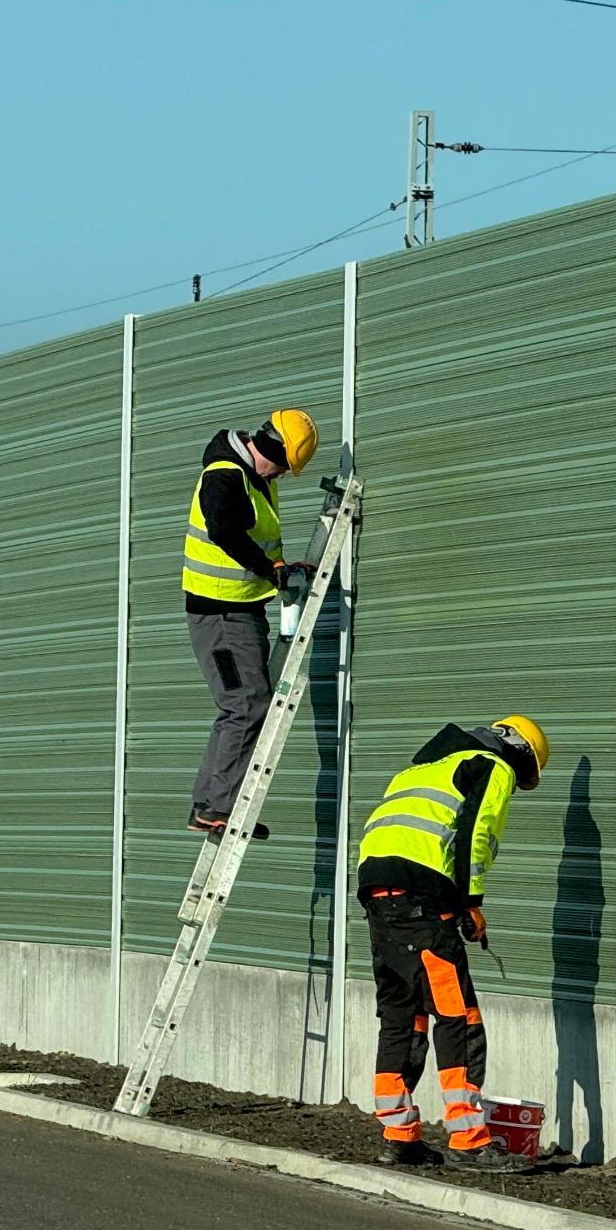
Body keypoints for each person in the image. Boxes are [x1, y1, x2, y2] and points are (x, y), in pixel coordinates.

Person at [355, 715, 550, 1173]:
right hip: (423, 900)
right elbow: (475, 833)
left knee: (402, 1018)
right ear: (519, 753)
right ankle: (469, 1139)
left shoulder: (419, 770)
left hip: (378, 895)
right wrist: (471, 903)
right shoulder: (490, 765)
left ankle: (399, 1137)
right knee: (458, 1017)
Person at [181, 409, 319, 839]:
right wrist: (268, 569)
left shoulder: (254, 478)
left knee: (241, 706)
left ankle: (211, 804)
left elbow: (258, 539)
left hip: (240, 610)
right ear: (274, 452)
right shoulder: (226, 475)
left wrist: (281, 567)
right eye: (284, 467)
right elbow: (225, 532)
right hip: (221, 614)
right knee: (245, 706)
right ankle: (217, 807)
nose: (283, 475)